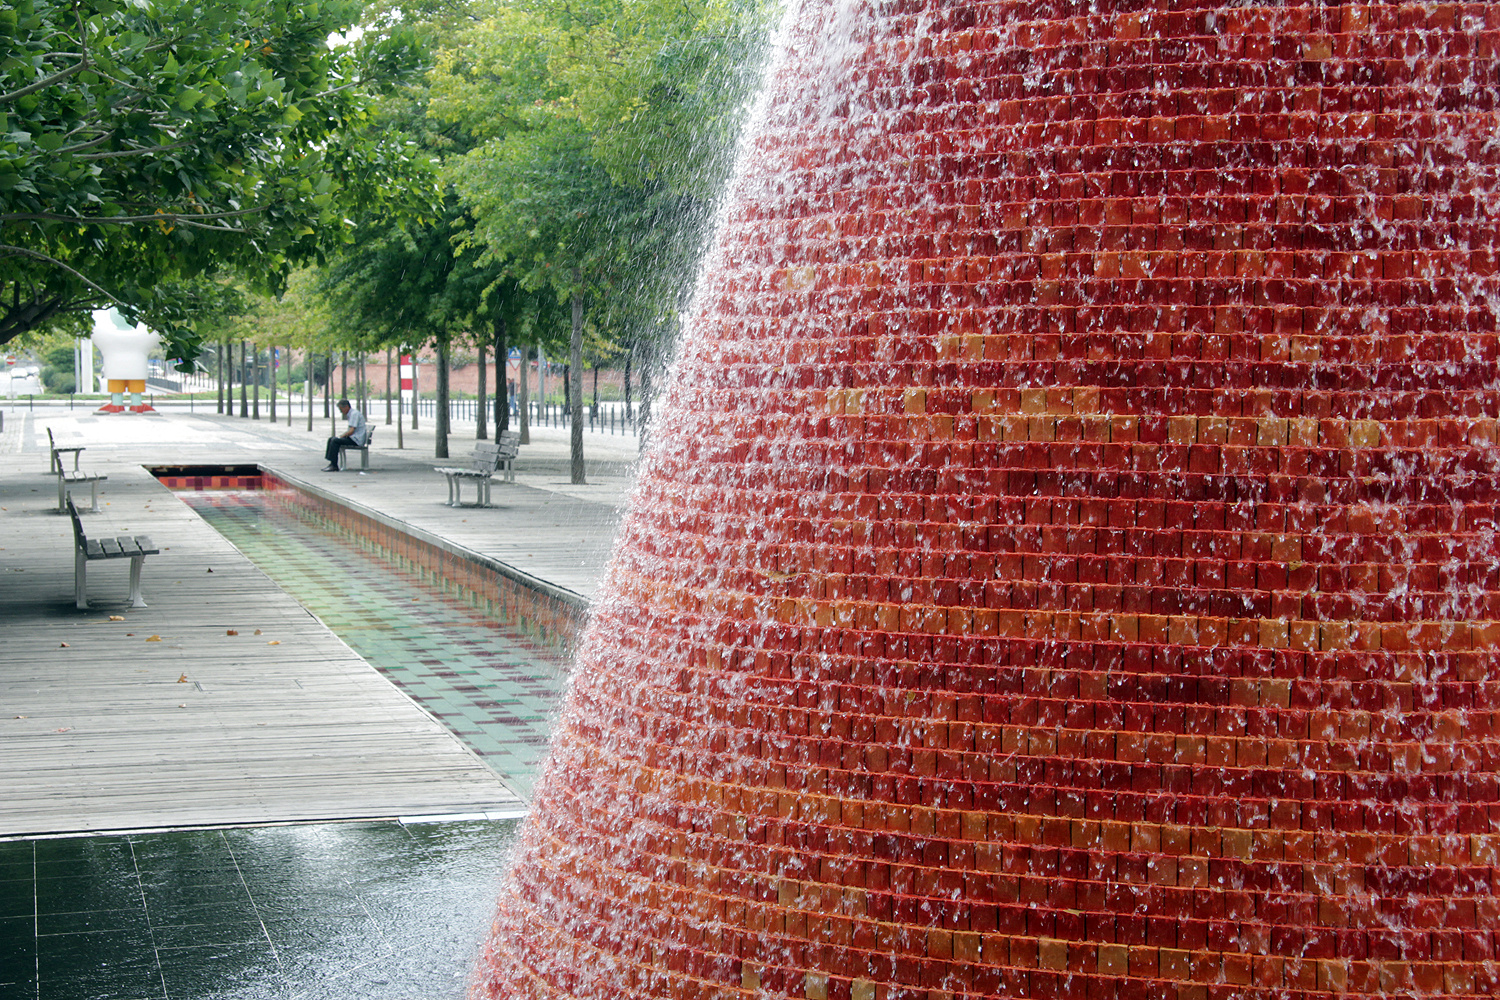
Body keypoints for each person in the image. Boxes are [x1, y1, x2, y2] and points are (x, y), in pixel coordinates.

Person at [323, 399, 368, 471]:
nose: (341, 411)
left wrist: (342, 436)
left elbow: (351, 431)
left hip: (356, 440)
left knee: (335, 441)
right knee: (331, 439)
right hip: (354, 438)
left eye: (341, 409)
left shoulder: (354, 414)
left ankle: (334, 465)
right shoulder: (352, 414)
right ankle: (331, 462)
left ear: (346, 407)